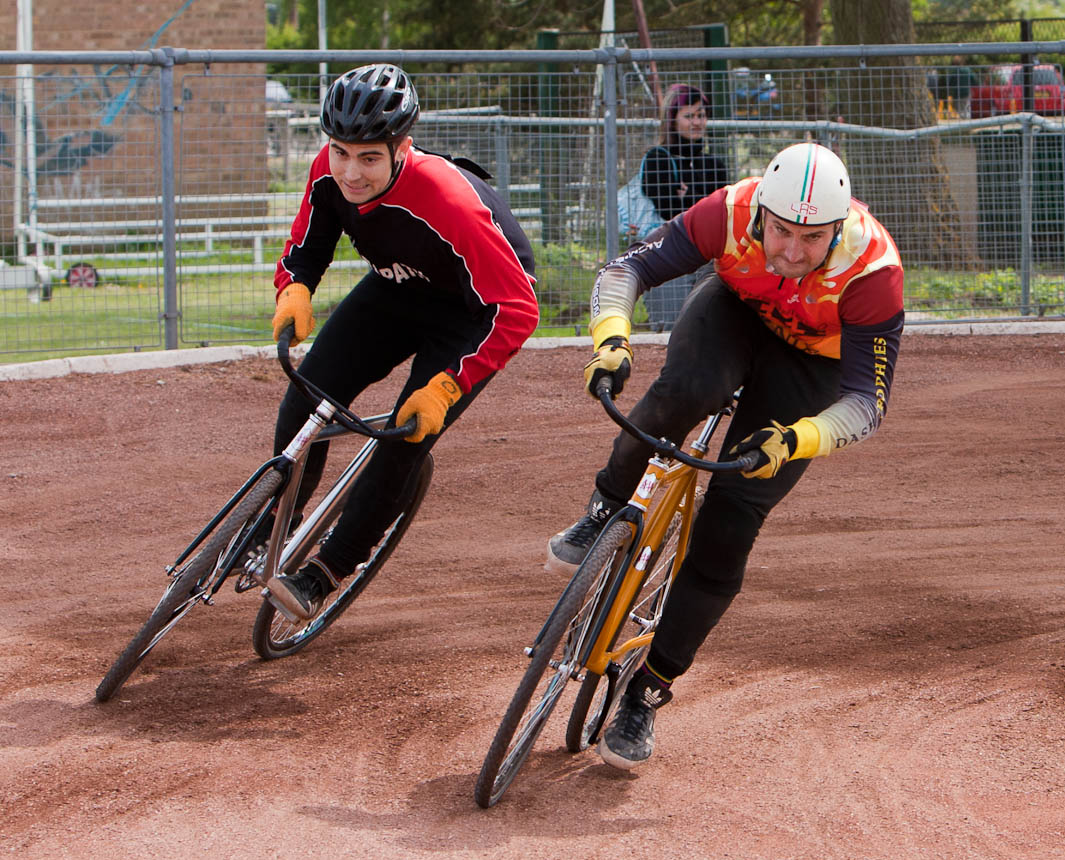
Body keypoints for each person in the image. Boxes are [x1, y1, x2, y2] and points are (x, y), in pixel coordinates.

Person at [546, 142, 904, 770]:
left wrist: (797, 440)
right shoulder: (732, 210)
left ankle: (646, 692)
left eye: (812, 239)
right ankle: (604, 507)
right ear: (763, 211)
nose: (792, 251)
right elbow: (624, 271)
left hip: (810, 368)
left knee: (732, 519)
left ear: (839, 230)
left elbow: (865, 404)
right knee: (683, 392)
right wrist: (610, 340)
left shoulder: (872, 271)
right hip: (735, 314)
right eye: (782, 231)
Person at [264, 63, 540, 621]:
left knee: (402, 437)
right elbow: (308, 245)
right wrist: (293, 288)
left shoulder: (448, 201)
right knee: (307, 396)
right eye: (341, 151)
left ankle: (329, 569)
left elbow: (517, 309)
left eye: (369, 157)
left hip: (472, 312)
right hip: (398, 286)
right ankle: (271, 525)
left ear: (401, 148)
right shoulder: (329, 170)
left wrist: (447, 384)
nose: (351, 172)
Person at [637, 83, 730, 330]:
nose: (697, 122)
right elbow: (669, 210)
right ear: (672, 119)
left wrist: (687, 197)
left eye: (701, 115)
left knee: (708, 327)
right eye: (689, 116)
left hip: (708, 257)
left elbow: (720, 214)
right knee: (669, 327)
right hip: (667, 251)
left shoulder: (714, 165)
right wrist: (698, 200)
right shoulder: (657, 159)